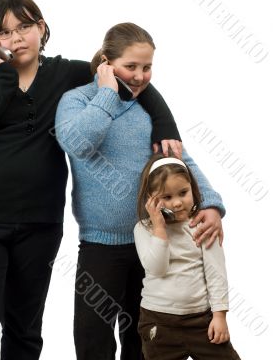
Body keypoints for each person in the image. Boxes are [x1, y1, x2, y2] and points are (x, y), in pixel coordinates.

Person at [0, 0, 182, 360]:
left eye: (25, 27)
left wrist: (165, 123)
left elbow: (128, 78)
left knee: (25, 328)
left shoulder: (64, 74)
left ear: (41, 28)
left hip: (39, 223)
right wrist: (4, 78)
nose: (16, 38)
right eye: (4, 32)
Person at [55, 22, 226, 360]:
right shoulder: (76, 101)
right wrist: (106, 92)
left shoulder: (148, 109)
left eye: (147, 67)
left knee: (142, 337)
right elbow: (77, 142)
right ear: (106, 62)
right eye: (130, 66)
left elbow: (179, 157)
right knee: (93, 337)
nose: (140, 76)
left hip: (153, 240)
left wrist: (210, 203)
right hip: (100, 244)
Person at [134, 154, 241, 359]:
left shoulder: (202, 227)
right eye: (167, 197)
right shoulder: (143, 229)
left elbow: (216, 272)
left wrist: (219, 315)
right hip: (158, 320)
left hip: (200, 320)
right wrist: (159, 228)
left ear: (193, 187)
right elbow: (157, 268)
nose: (177, 203)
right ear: (151, 199)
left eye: (183, 193)